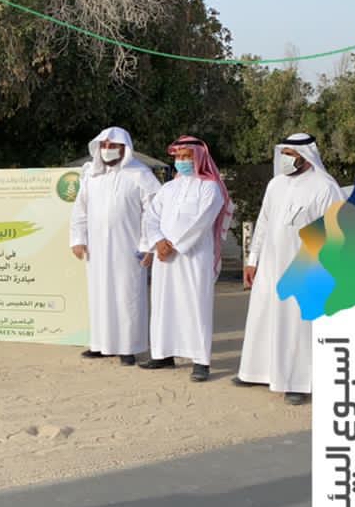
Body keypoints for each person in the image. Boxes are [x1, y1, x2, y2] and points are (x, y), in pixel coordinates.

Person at [234, 133, 344, 405]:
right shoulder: (276, 184)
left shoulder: (325, 186)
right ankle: (258, 371)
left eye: (291, 154)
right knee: (264, 316)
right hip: (270, 265)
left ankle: (298, 382)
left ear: (306, 156)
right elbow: (263, 222)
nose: (285, 159)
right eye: (283, 153)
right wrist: (252, 259)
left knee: (298, 325)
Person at [139, 135, 234, 382]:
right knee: (163, 304)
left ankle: (200, 361)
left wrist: (174, 245)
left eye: (186, 157)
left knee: (195, 305)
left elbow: (202, 221)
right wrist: (158, 241)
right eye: (178, 157)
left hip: (193, 256)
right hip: (164, 257)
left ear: (199, 158)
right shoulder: (168, 188)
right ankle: (163, 354)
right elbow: (151, 217)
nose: (181, 161)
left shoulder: (210, 188)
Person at [69, 126, 161, 365]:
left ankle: (128, 347)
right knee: (100, 294)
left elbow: (153, 212)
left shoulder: (140, 174)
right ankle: (101, 344)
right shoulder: (91, 175)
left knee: (127, 295)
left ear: (124, 148)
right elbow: (80, 209)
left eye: (113, 146)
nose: (108, 149)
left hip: (129, 248)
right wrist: (78, 239)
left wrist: (147, 245)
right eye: (104, 145)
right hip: (97, 249)